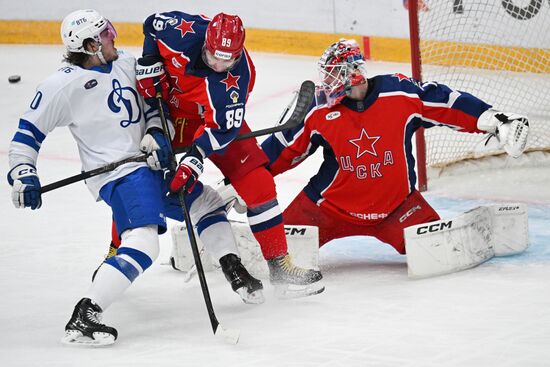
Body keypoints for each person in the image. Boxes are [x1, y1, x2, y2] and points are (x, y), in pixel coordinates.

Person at [6, 9, 262, 346]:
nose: (113, 35)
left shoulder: (127, 64)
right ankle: (86, 313)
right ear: (89, 45)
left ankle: (233, 268)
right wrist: (23, 173)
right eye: (105, 33)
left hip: (152, 166)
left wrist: (158, 133)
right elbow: (26, 135)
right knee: (143, 242)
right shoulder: (62, 86)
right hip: (121, 173)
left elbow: (155, 108)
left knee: (207, 204)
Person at [260, 39, 529, 255]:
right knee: (272, 251)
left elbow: (446, 103)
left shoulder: (399, 94)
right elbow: (285, 148)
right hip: (326, 209)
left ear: (351, 74)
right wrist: (248, 178)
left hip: (398, 209)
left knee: (447, 251)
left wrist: (492, 120)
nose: (327, 83)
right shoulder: (318, 110)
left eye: (332, 75)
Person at [135, 11, 325, 298]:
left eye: (229, 59)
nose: (221, 65)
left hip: (215, 123)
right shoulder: (178, 31)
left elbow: (222, 130)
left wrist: (194, 159)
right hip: (172, 116)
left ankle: (280, 266)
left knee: (258, 182)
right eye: (215, 56)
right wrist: (150, 61)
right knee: (140, 177)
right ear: (206, 43)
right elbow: (151, 24)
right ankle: (114, 249)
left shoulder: (240, 78)